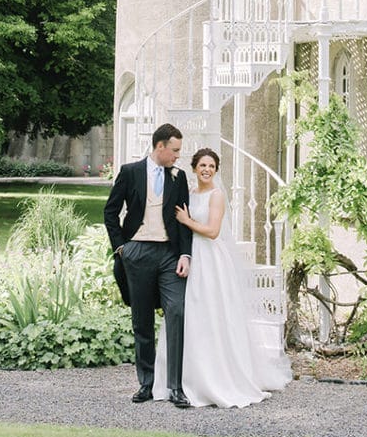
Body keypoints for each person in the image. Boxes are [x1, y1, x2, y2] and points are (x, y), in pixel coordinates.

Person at [152, 147, 292, 408]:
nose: (206, 170)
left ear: (216, 171)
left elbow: (213, 231)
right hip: (191, 256)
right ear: (194, 168)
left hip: (211, 259)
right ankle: (184, 379)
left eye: (212, 167)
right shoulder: (190, 193)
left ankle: (218, 378)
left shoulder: (217, 195)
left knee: (213, 314)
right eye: (202, 165)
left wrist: (186, 220)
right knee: (189, 315)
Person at [103, 123, 193, 408]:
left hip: (169, 253)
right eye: (175, 150)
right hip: (137, 251)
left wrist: (185, 255)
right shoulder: (130, 172)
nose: (178, 156)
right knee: (141, 320)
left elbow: (184, 221)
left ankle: (176, 387)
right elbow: (110, 211)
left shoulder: (179, 178)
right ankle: (146, 383)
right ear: (160, 147)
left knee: (176, 311)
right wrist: (121, 247)